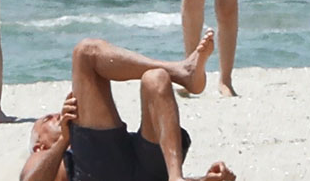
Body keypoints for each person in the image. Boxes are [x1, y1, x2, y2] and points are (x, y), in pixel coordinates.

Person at [20, 30, 238, 181]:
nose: (56, 115)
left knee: (156, 79)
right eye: (46, 120)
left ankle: (176, 175)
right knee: (84, 53)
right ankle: (181, 72)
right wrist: (64, 140)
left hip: (137, 167)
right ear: (39, 146)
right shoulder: (44, 158)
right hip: (99, 172)